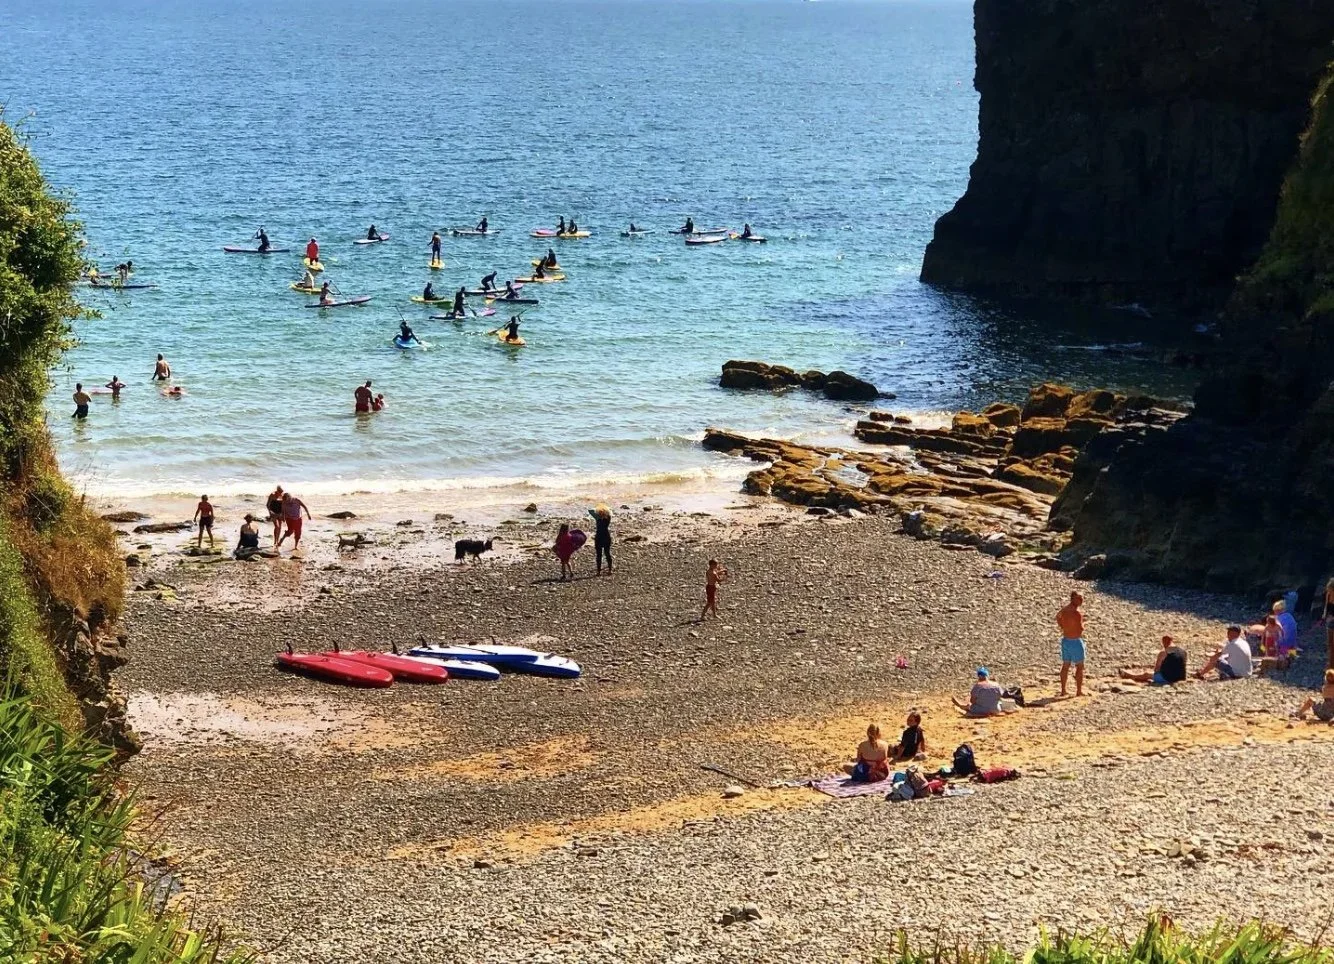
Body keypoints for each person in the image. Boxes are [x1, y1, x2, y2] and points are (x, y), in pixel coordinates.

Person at [1118, 635, 1187, 685]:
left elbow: (1156, 669)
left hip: (1168, 679)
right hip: (1181, 677)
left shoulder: (1164, 652)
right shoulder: (1183, 651)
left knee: (1147, 674)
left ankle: (1130, 676)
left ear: (1164, 642)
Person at [1056, 590, 1086, 697]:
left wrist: (1063, 626)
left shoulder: (1064, 610)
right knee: (1080, 666)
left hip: (1066, 640)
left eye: (1082, 598)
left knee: (1066, 665)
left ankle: (1063, 690)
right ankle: (1079, 691)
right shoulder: (1077, 613)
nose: (1081, 600)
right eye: (1079, 598)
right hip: (1075, 641)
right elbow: (1080, 627)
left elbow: (1058, 616)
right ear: (1073, 598)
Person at [591, 504, 612, 574]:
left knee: (603, 554)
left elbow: (590, 511)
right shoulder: (606, 518)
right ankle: (606, 570)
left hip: (600, 537)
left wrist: (598, 509)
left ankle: (602, 571)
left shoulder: (601, 518)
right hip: (605, 536)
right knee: (604, 554)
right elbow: (590, 511)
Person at [1323, 578, 1334, 669]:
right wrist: (1324, 614)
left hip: (1332, 619)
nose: (1328, 590)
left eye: (1330, 589)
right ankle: (1330, 664)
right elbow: (1326, 607)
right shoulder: (1328, 595)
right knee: (1329, 644)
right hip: (1330, 622)